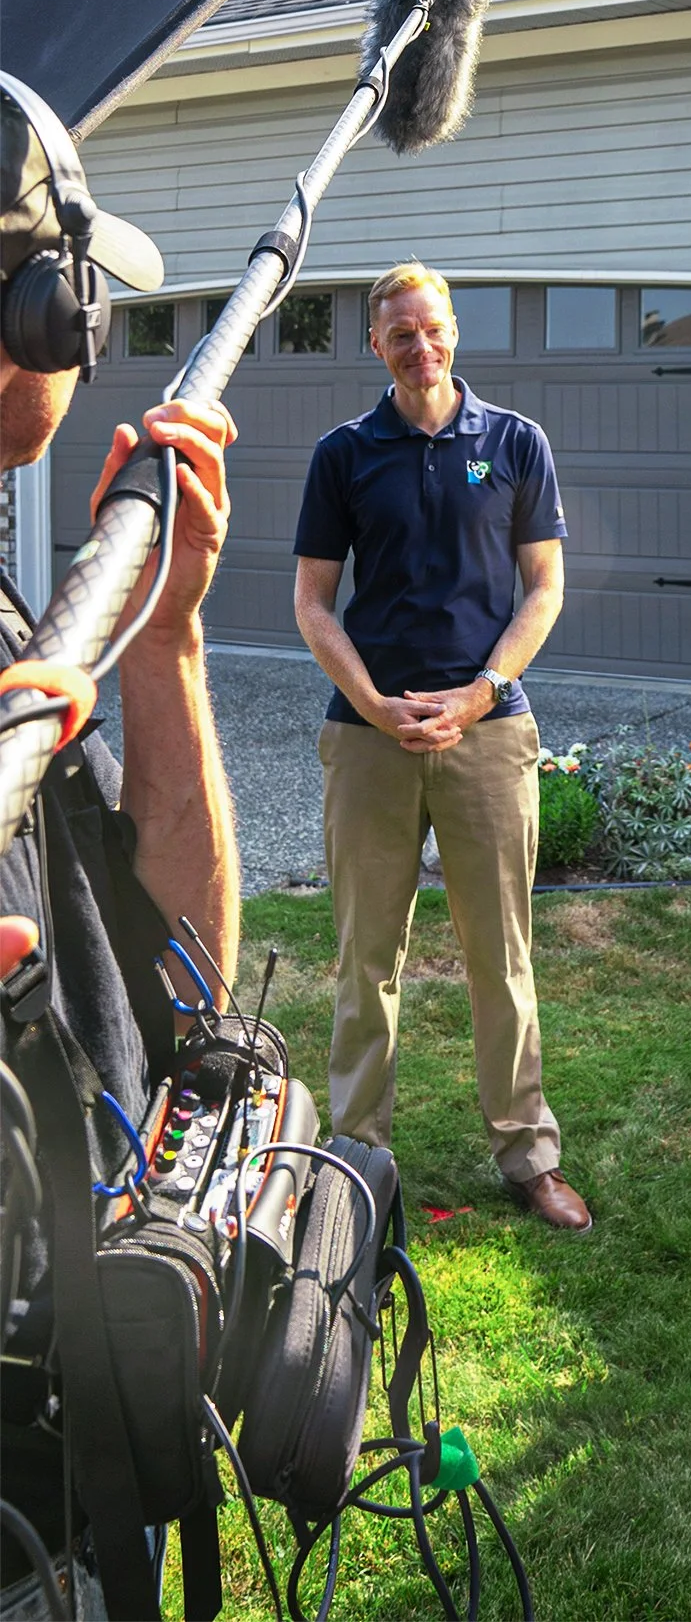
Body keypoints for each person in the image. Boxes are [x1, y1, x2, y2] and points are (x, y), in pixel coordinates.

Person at [1, 83, 239, 1614]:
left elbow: (182, 960)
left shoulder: (12, 630)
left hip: (84, 1452)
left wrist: (167, 639)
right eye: (74, 301)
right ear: (40, 309)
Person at [292, 261, 589, 1232]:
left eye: (431, 328)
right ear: (375, 345)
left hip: (487, 734)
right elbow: (312, 602)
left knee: (500, 955)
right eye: (399, 334)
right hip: (368, 741)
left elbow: (543, 586)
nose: (419, 347)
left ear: (454, 330)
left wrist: (480, 691)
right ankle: (356, 1160)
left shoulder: (513, 442)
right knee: (363, 958)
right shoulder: (343, 454)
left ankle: (529, 1153)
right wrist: (375, 704)